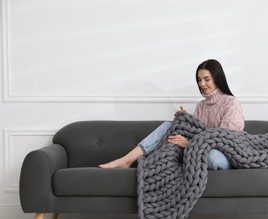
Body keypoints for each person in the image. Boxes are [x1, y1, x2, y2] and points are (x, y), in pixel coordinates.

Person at [99, 59, 244, 170]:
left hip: (224, 156)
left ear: (217, 78)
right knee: (169, 125)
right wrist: (186, 121)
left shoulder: (231, 103)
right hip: (199, 151)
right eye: (199, 80)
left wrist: (189, 144)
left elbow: (225, 142)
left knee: (213, 158)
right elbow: (196, 133)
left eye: (207, 79)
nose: (202, 84)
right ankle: (127, 160)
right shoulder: (201, 106)